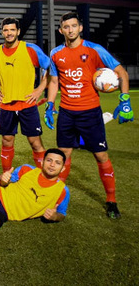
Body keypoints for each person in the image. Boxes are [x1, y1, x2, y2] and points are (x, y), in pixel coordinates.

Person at [45, 12, 133, 219]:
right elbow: (54, 81)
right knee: (63, 157)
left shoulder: (95, 49)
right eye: (66, 27)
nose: (70, 30)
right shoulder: (56, 53)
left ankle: (111, 200)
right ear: (61, 30)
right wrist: (50, 104)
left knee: (101, 156)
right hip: (67, 113)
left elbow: (122, 73)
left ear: (80, 27)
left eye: (74, 26)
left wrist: (125, 99)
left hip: (90, 113)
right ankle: (55, 199)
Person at [0, 17, 49, 172]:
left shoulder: (30, 49)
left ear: (18, 31)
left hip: (27, 103)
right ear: (2, 32)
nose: (9, 33)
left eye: (12, 30)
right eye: (6, 30)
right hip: (7, 105)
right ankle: (6, 175)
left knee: (35, 142)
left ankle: (43, 178)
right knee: (7, 140)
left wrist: (40, 88)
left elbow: (50, 68)